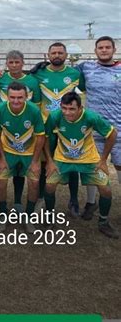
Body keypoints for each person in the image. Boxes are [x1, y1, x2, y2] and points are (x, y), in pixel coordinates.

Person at [44, 92, 118, 238]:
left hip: (89, 159)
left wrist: (103, 160)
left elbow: (112, 133)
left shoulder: (91, 117)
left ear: (80, 108)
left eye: (72, 109)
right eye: (64, 108)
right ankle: (49, 217)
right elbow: (45, 137)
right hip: (62, 159)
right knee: (49, 185)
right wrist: (50, 161)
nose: (67, 112)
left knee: (106, 190)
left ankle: (103, 223)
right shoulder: (54, 116)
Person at [31, 42, 84, 217]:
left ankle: (74, 200)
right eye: (53, 52)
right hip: (46, 126)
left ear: (66, 55)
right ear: (48, 55)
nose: (57, 55)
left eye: (60, 52)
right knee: (44, 162)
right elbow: (21, 80)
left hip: (68, 126)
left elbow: (84, 92)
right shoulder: (39, 73)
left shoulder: (75, 74)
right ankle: (40, 198)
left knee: (72, 163)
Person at [75, 36, 121, 220]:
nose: (104, 50)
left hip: (118, 128)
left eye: (107, 47)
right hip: (93, 129)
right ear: (95, 51)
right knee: (92, 167)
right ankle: (91, 202)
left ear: (113, 49)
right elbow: (63, 72)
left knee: (119, 166)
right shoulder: (86, 67)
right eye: (100, 47)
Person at [0, 82, 45, 233]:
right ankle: (3, 214)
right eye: (12, 97)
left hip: (29, 153)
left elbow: (41, 137)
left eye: (20, 98)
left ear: (27, 97)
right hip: (8, 152)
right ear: (7, 97)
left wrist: (35, 161)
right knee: (1, 181)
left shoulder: (34, 110)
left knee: (34, 183)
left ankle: (28, 218)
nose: (16, 101)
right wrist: (1, 158)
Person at [0, 50, 41, 213]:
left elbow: (37, 104)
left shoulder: (32, 81)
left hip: (27, 132)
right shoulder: (0, 78)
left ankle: (18, 203)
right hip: (6, 131)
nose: (14, 65)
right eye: (11, 62)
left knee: (22, 172)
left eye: (17, 62)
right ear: (6, 64)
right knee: (5, 169)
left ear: (23, 63)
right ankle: (3, 210)